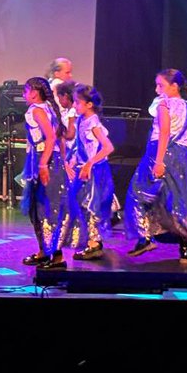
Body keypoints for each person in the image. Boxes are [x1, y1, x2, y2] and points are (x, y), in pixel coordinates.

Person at [124, 68, 187, 262]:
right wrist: (177, 157)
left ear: (174, 86)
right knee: (177, 200)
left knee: (138, 193)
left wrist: (159, 161)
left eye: (160, 85)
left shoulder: (162, 104)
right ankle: (184, 249)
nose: (157, 90)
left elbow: (164, 132)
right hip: (181, 156)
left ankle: (145, 237)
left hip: (158, 152)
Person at [19, 76, 67, 269]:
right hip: (45, 160)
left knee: (45, 209)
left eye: (25, 90)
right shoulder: (49, 108)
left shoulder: (37, 110)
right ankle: (44, 250)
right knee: (37, 209)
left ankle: (56, 256)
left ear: (34, 92)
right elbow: (59, 138)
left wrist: (43, 164)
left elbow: (50, 138)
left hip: (43, 160)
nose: (23, 94)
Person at [65, 85, 116, 261]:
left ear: (88, 104)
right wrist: (73, 162)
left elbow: (108, 147)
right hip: (84, 168)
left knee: (91, 205)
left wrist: (89, 164)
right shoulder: (81, 120)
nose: (74, 106)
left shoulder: (93, 122)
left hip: (95, 170)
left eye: (77, 103)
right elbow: (80, 146)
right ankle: (90, 241)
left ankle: (95, 244)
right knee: (78, 202)